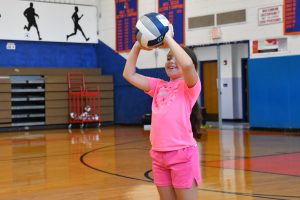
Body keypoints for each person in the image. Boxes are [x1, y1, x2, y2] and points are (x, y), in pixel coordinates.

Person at [123, 26, 202, 200]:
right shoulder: (159, 86)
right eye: (168, 58)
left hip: (182, 154)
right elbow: (129, 74)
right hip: (158, 155)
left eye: (175, 58)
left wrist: (168, 39)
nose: (171, 61)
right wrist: (138, 45)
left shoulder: (190, 87)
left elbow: (187, 64)